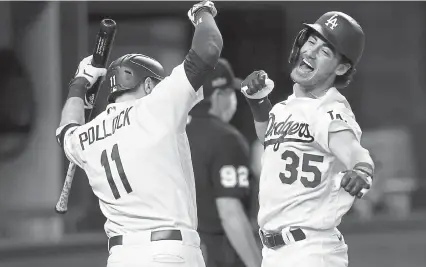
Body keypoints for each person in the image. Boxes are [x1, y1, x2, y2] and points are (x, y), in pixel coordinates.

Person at [55, 1, 223, 266]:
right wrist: (202, 10)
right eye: (157, 82)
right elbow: (208, 46)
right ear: (147, 84)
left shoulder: (86, 136)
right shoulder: (156, 106)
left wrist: (79, 85)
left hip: (121, 256)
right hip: (169, 252)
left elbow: (65, 131)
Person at [239, 11, 374, 267]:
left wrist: (361, 170)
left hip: (311, 250)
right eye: (311, 41)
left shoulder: (330, 111)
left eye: (325, 51)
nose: (310, 52)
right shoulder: (286, 107)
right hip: (276, 252)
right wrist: (258, 104)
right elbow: (271, 139)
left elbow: (354, 150)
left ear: (342, 67)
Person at [186, 58, 262, 267]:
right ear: (219, 95)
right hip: (218, 254)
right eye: (231, 92)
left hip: (178, 253)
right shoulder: (225, 138)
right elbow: (230, 211)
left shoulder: (174, 134)